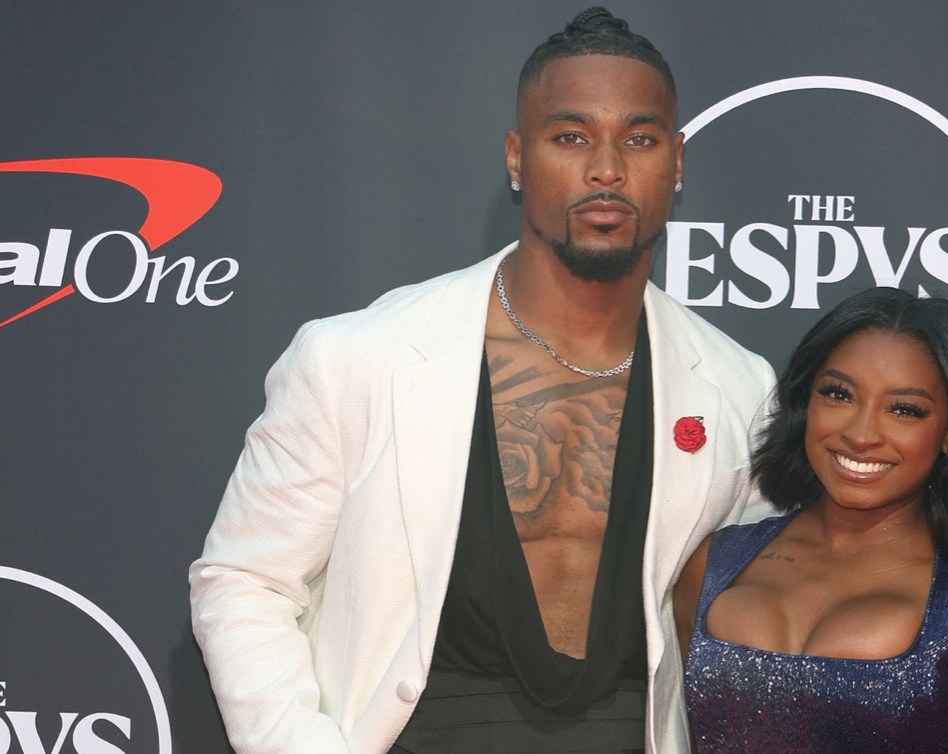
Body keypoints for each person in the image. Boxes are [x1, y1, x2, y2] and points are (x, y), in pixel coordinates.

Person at [188, 8, 775, 754]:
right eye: (571, 137)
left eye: (639, 138)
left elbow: (761, 616)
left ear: (678, 162)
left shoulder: (738, 388)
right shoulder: (355, 359)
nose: (607, 168)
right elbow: (245, 581)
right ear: (516, 158)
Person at [674, 287, 948, 753]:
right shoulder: (713, 564)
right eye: (839, 394)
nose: (861, 435)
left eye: (904, 410)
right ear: (805, 402)